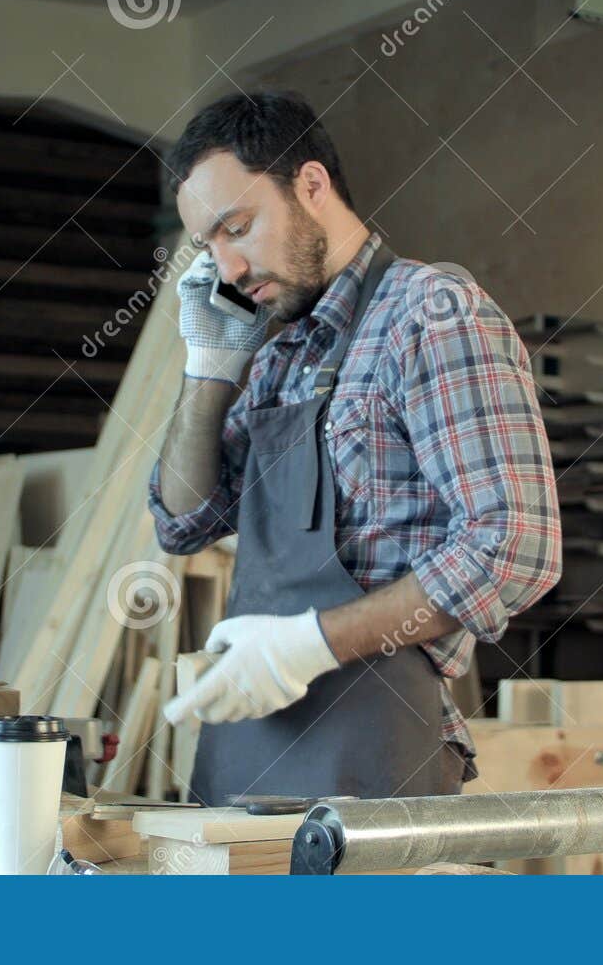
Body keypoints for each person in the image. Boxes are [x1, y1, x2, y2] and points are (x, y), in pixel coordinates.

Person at [148, 91, 562, 806]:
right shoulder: (280, 360)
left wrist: (311, 645)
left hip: (374, 763)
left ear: (311, 185)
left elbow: (515, 545)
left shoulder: (429, 313)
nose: (230, 270)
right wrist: (208, 370)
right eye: (208, 247)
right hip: (252, 753)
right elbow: (183, 521)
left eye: (237, 228)